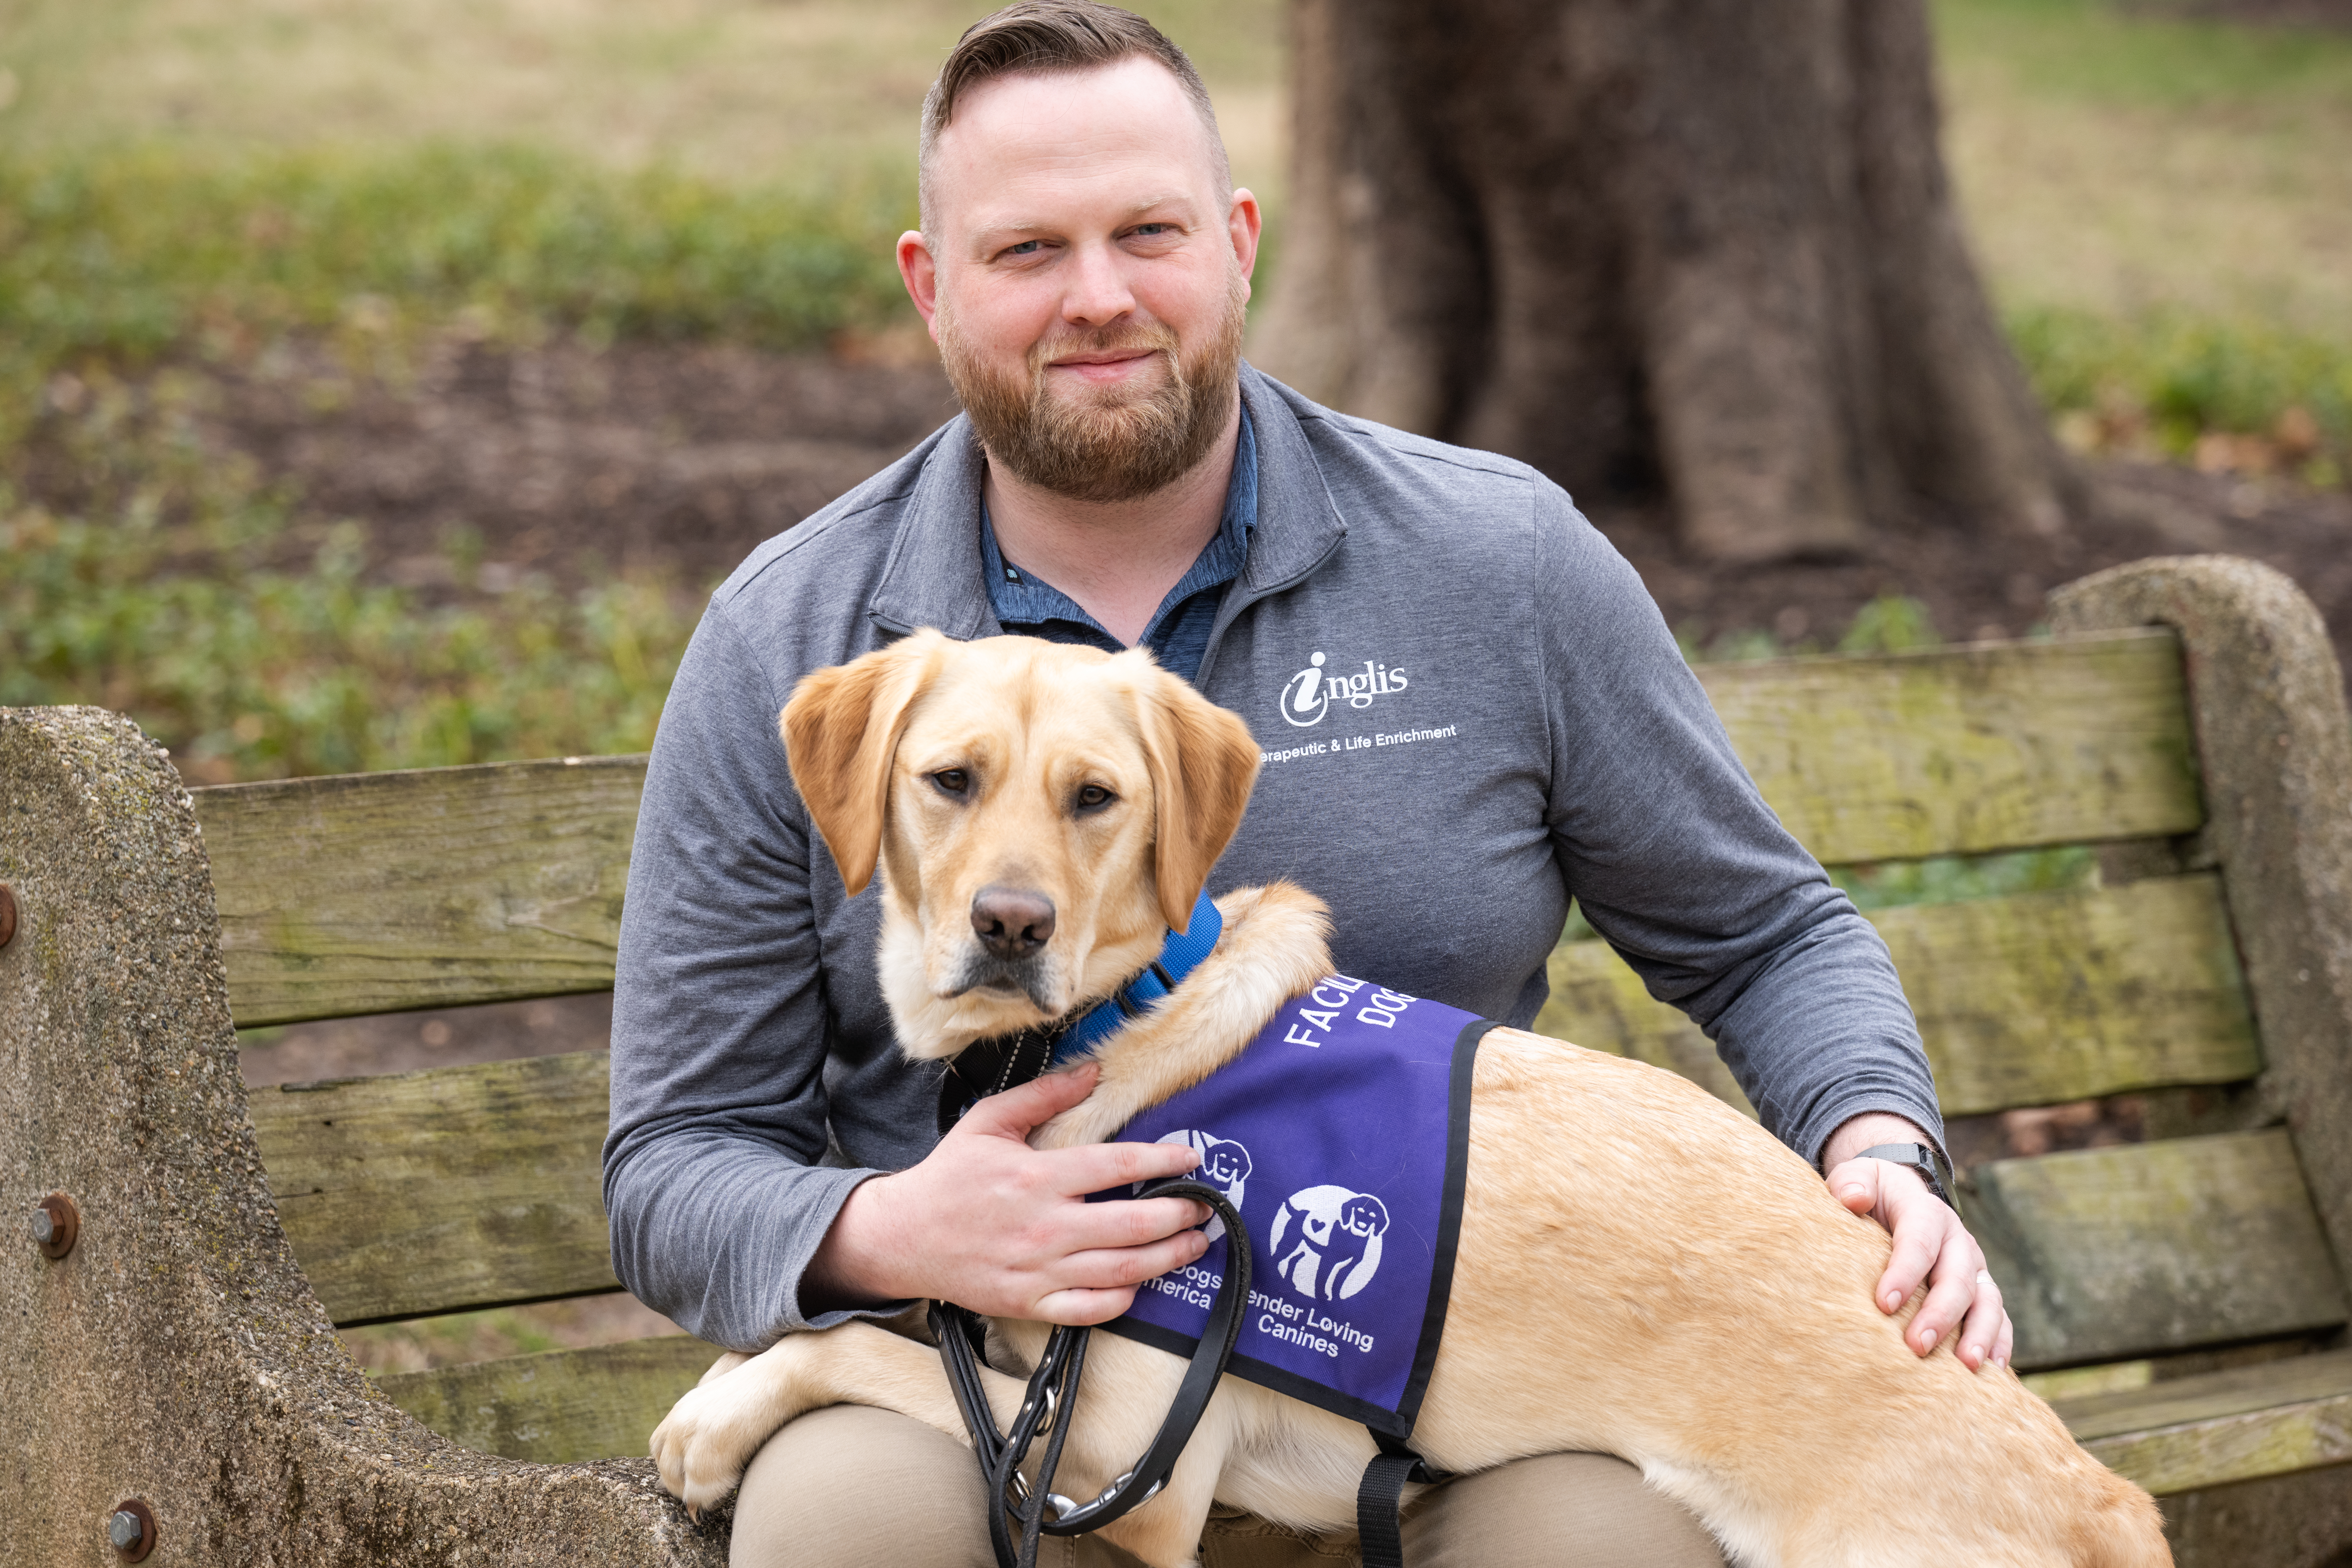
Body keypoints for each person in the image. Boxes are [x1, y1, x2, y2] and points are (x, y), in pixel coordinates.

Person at [603, 5, 2014, 1564]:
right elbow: (679, 1161)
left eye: (1149, 232)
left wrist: (1879, 1150)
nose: (1101, 298)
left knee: (1609, 1553)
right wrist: (888, 1230)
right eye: (1027, 253)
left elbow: (1765, 935)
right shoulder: (791, 639)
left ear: (1241, 242)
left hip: (1439, 1420)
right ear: (932, 288)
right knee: (840, 1526)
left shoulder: (1499, 562)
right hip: (982, 1374)